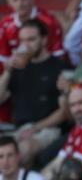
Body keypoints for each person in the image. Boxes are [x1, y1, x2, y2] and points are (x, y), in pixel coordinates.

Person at [0, 20, 67, 165]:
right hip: (19, 129)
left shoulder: (59, 68)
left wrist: (36, 128)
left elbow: (64, 112)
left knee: (24, 149)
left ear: (44, 40)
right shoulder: (18, 68)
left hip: (48, 129)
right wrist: (7, 72)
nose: (25, 45)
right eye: (22, 40)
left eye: (31, 39)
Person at [0, 0, 65, 63]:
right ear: (8, 2)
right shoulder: (4, 25)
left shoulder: (49, 22)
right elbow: (3, 59)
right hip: (16, 68)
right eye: (15, 0)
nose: (20, 4)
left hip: (45, 67)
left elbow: (58, 56)